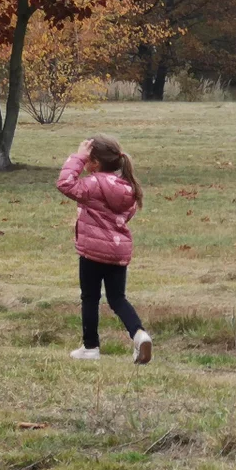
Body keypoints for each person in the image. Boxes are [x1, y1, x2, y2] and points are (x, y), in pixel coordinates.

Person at [56, 135, 152, 364]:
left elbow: (65, 184)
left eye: (87, 158)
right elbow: (126, 215)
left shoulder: (93, 184)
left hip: (92, 252)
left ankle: (90, 347)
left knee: (90, 297)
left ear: (94, 162)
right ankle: (140, 335)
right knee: (117, 298)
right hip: (118, 252)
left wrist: (77, 158)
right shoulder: (127, 188)